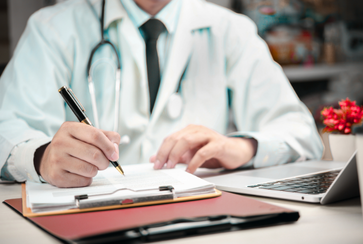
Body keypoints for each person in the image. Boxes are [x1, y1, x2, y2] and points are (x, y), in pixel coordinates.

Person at [0, 0, 323, 188]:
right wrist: (42, 157)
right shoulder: (53, 27)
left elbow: (302, 134)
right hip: (87, 213)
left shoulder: (230, 28)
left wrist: (242, 146)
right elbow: (7, 127)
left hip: (199, 217)